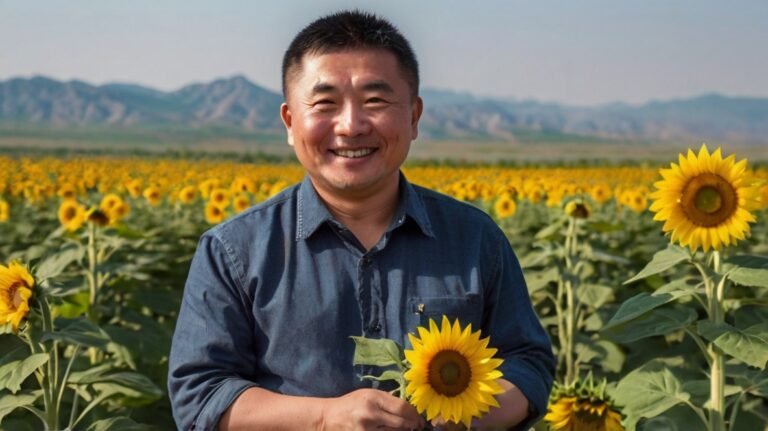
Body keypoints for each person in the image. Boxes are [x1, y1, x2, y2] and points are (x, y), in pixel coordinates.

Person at [168, 10, 554, 431]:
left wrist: (463, 420)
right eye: (325, 103)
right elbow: (200, 394)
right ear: (290, 122)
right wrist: (324, 418)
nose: (351, 126)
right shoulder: (234, 250)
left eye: (376, 101)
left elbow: (528, 363)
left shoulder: (475, 239)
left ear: (413, 116)